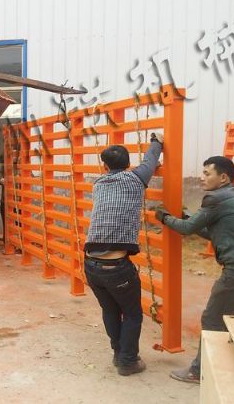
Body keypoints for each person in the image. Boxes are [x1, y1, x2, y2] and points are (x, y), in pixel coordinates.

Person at [156, 156, 234, 384]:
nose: (201, 177)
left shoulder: (216, 198)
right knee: (231, 319)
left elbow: (187, 228)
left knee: (212, 319)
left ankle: (198, 371)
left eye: (207, 173)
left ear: (223, 177)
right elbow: (212, 232)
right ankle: (225, 366)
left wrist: (165, 218)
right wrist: (186, 217)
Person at [84, 132, 164, 376]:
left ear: (105, 167)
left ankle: (119, 354)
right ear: (129, 164)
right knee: (132, 314)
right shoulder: (136, 178)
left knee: (110, 310)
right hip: (116, 267)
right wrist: (157, 142)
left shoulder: (98, 184)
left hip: (91, 264)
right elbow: (150, 159)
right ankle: (128, 362)